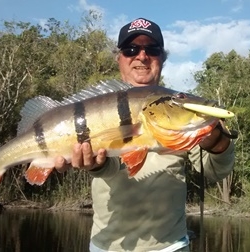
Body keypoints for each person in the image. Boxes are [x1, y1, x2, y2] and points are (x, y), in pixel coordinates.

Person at [54, 17, 235, 252]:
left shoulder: (179, 109)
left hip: (170, 246)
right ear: (118, 59)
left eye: (152, 49)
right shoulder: (100, 106)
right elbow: (109, 168)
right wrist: (96, 166)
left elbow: (215, 170)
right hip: (106, 246)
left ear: (162, 59)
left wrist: (217, 142)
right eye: (131, 49)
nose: (141, 56)